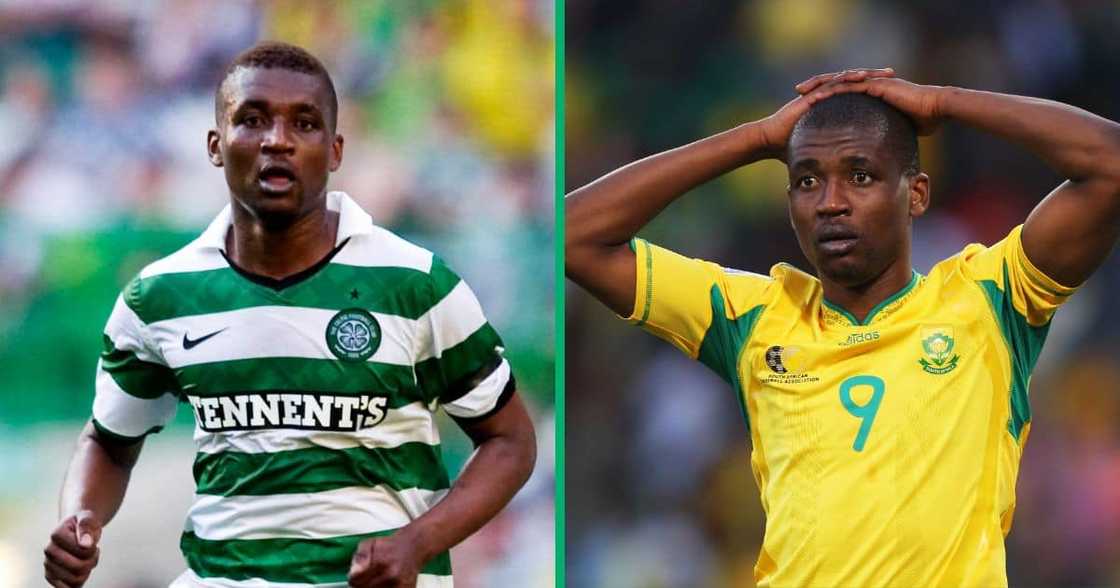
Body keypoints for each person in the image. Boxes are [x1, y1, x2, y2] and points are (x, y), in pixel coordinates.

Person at [565, 67, 1120, 587]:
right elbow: (572, 234)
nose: (831, 203)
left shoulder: (988, 299)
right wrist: (757, 139)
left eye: (859, 176)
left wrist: (943, 102)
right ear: (789, 205)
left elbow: (1110, 163)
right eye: (807, 181)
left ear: (916, 194)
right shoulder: (754, 316)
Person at [43, 41, 536, 588]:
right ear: (215, 143)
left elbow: (510, 441)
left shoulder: (416, 283)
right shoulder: (160, 296)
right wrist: (79, 517)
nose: (277, 140)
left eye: (304, 124)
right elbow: (109, 440)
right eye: (252, 120)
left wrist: (417, 542)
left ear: (335, 150)